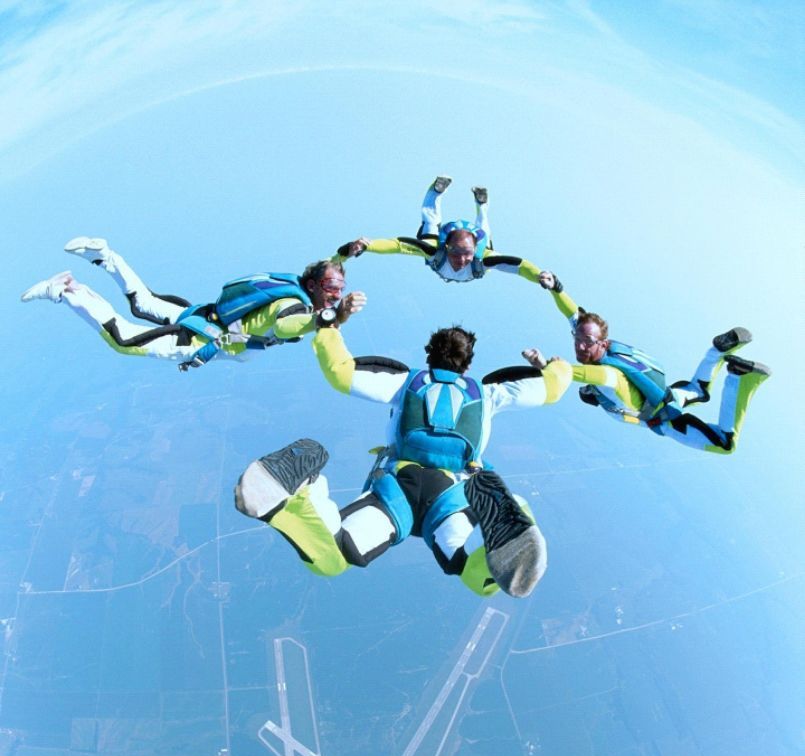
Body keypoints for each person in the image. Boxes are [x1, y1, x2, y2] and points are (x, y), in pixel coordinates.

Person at [234, 315, 572, 598]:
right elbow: (552, 389)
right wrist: (556, 367)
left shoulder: (405, 383)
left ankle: (297, 496)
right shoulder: (490, 394)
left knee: (335, 556)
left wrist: (328, 328)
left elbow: (340, 372)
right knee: (474, 575)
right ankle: (512, 509)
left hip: (398, 489)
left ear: (429, 356)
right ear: (468, 364)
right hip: (454, 493)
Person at [21, 237, 365, 369]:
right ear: (312, 286)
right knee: (123, 341)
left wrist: (343, 254)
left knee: (143, 303)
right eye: (331, 288)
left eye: (340, 288)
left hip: (207, 314)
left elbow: (324, 273)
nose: (336, 293)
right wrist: (334, 316)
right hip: (200, 337)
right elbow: (286, 326)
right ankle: (65, 291)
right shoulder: (294, 307)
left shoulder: (297, 284)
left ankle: (104, 256)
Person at [525, 270, 771, 454]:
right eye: (577, 338)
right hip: (669, 397)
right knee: (698, 390)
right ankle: (715, 351)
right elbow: (575, 317)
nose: (579, 345)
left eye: (584, 341)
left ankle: (739, 377)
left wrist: (550, 367)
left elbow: (587, 375)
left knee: (725, 444)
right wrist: (556, 288)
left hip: (667, 420)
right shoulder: (603, 345)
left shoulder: (609, 378)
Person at [333, 176, 544, 284]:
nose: (462, 260)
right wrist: (368, 245)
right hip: (449, 244)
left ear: (473, 251)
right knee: (432, 225)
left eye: (466, 253)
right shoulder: (437, 249)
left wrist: (539, 276)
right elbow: (398, 245)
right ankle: (439, 191)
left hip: (472, 246)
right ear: (447, 246)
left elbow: (519, 266)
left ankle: (480, 206)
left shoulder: (479, 257)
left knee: (479, 232)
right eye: (457, 252)